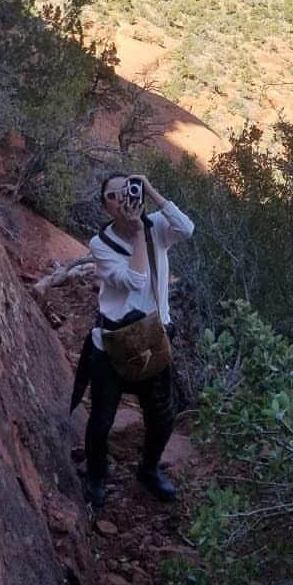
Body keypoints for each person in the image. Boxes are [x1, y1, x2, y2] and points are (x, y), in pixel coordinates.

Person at [78, 173, 194, 508]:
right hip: (113, 341)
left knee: (162, 414)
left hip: (152, 338)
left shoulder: (157, 224)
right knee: (101, 418)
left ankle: (149, 469)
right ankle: (97, 473)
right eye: (114, 196)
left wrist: (153, 192)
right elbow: (134, 279)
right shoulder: (100, 244)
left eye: (128, 191)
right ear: (105, 205)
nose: (123, 199)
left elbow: (187, 229)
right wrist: (139, 232)